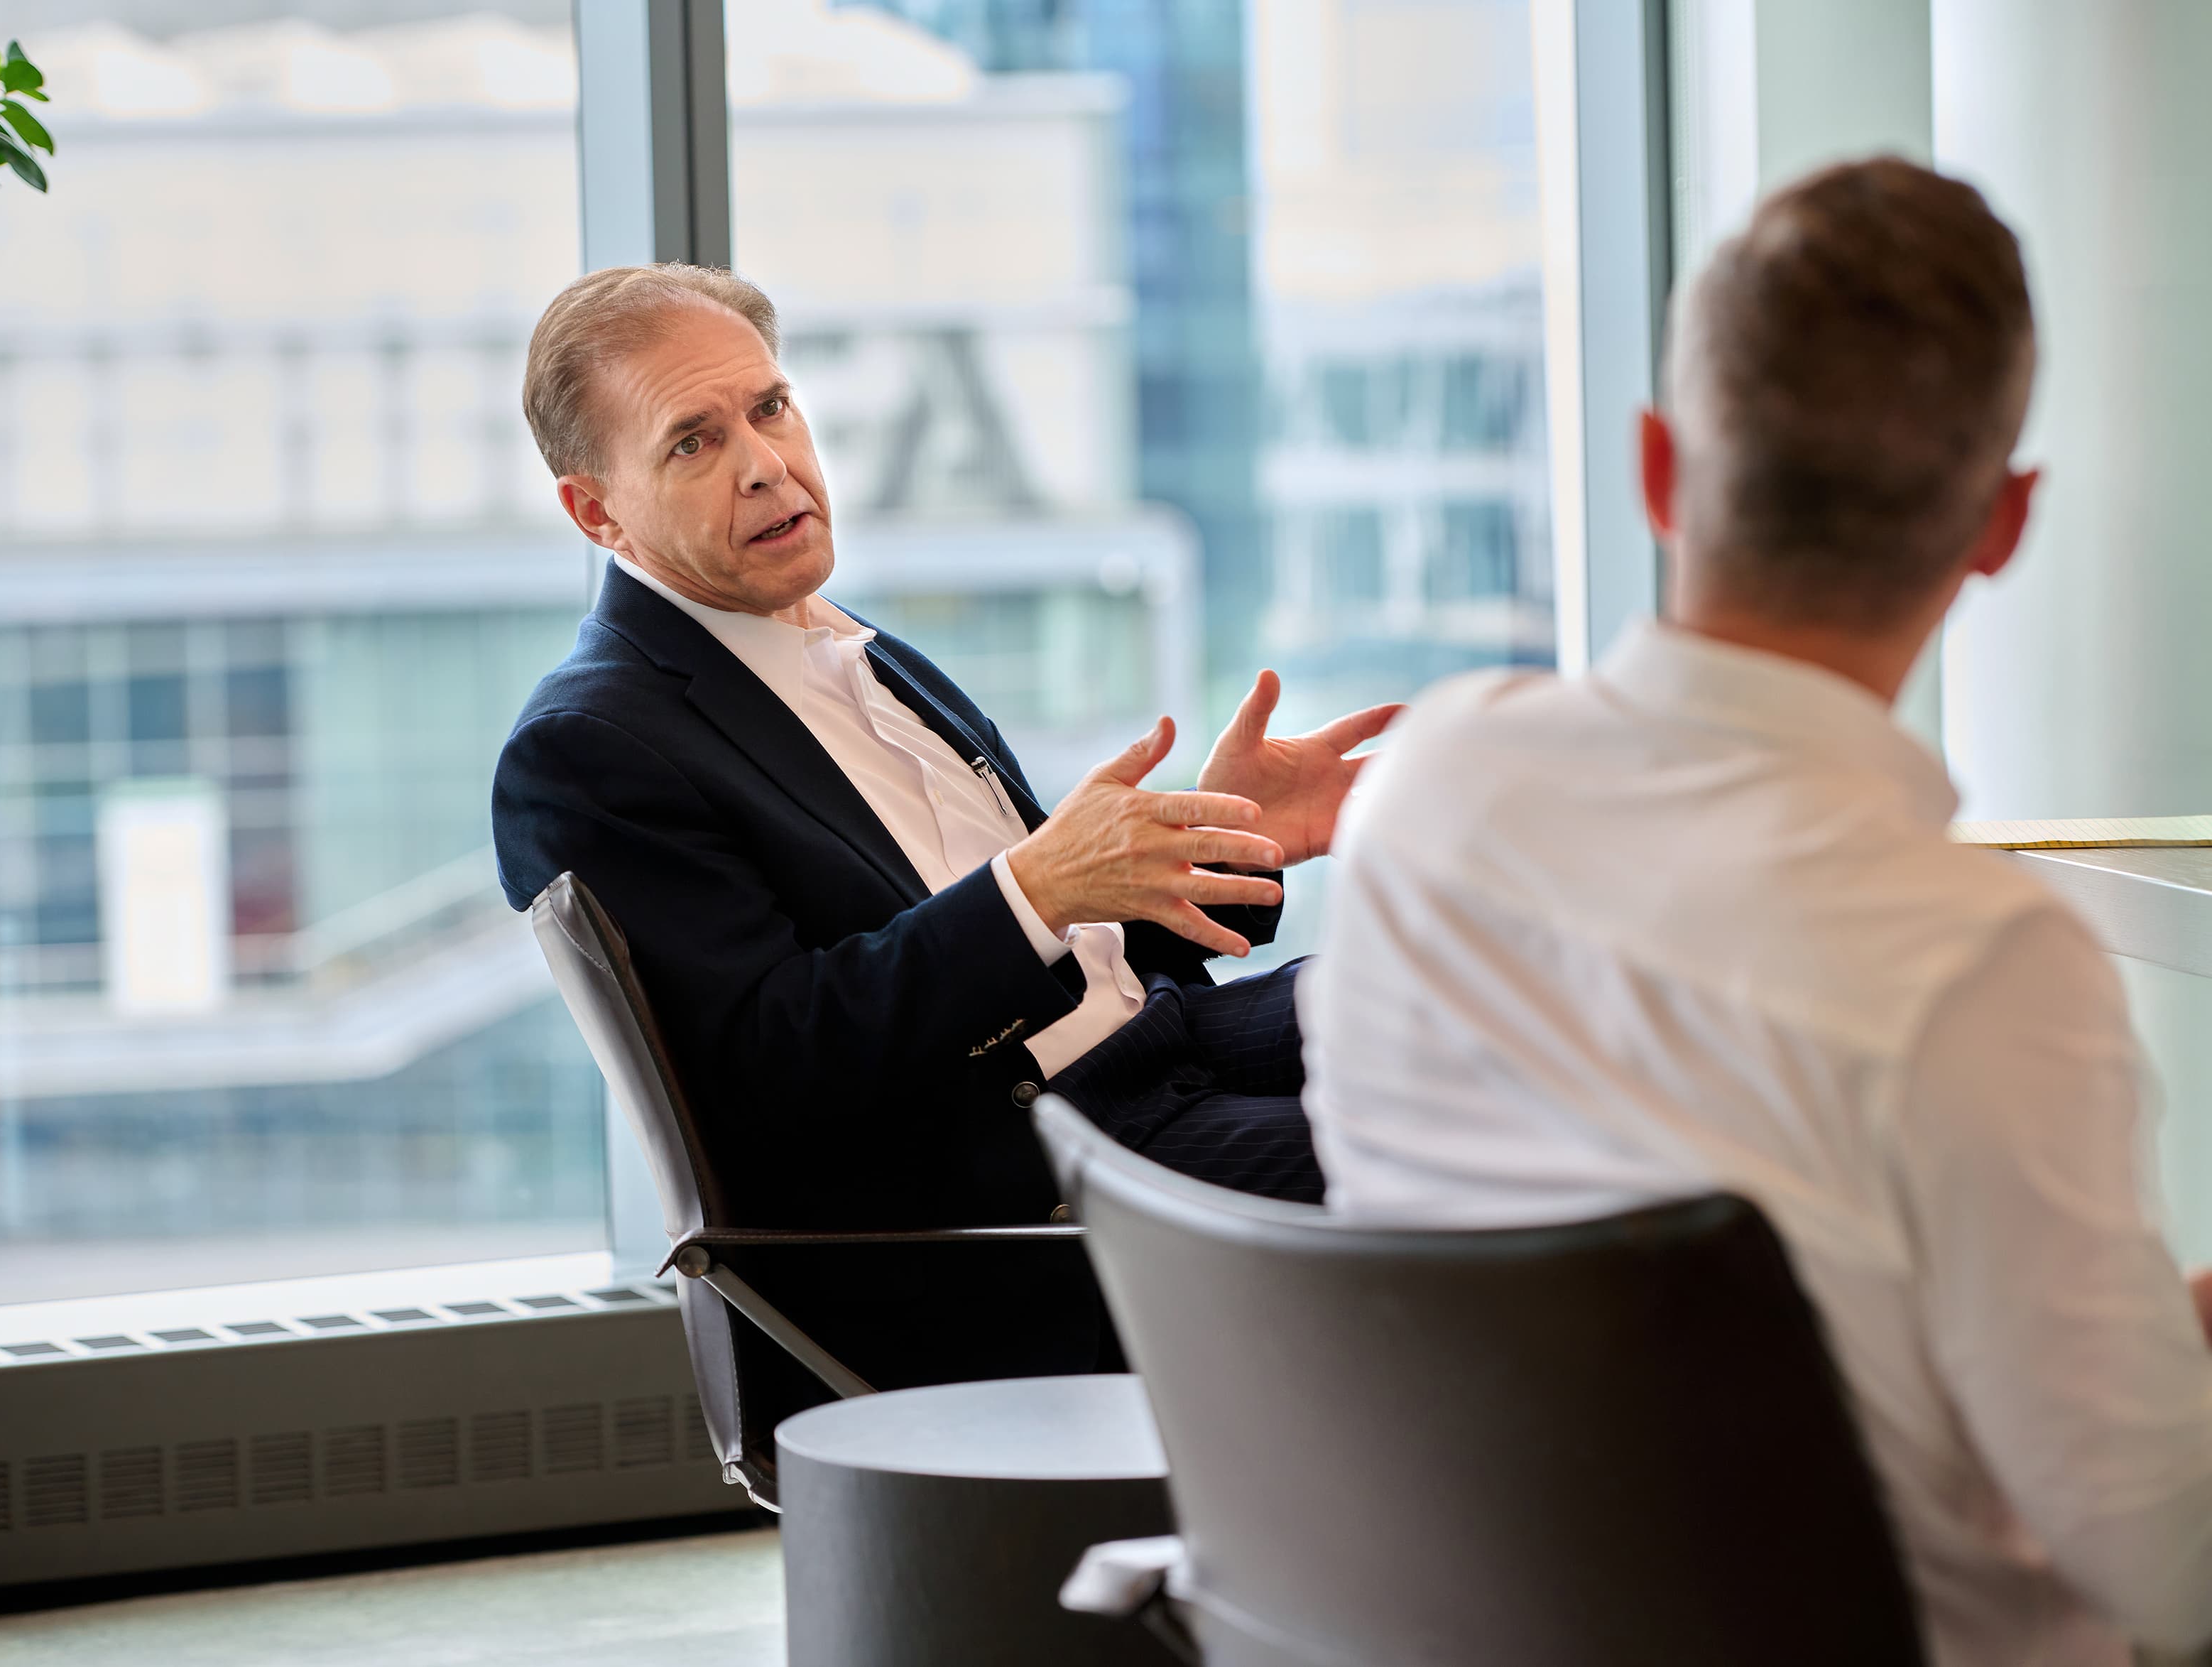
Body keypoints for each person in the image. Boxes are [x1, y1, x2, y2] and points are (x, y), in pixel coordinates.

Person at [1302, 157, 2212, 1664]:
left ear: (1657, 468)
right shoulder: (1978, 970)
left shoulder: (1427, 792)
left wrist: (2134, 1339)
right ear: (2000, 525)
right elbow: (2175, 1575)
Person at [492, 263, 1395, 1393]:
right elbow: (773, 1070)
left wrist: (1217, 840)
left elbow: (1058, 953)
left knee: (1495, 1013)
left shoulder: (850, 643)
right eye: (694, 441)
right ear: (597, 511)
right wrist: (1039, 889)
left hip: (1162, 1051)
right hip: (1022, 1182)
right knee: (1483, 1158)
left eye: (771, 409)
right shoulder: (590, 746)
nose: (768, 464)